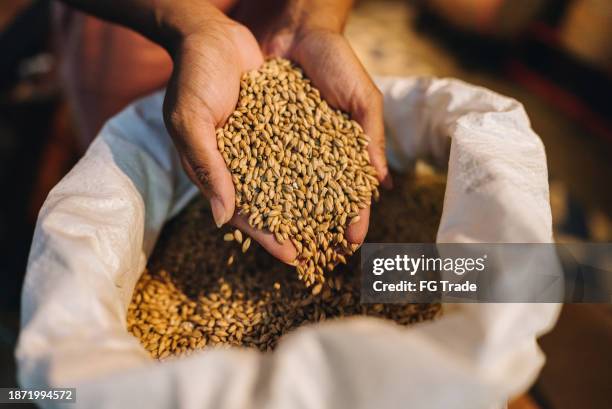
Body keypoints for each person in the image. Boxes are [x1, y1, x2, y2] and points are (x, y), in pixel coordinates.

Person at [56, 0, 391, 263]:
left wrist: (312, 19)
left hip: (277, 12)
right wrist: (193, 27)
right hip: (139, 19)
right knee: (130, 160)